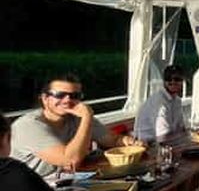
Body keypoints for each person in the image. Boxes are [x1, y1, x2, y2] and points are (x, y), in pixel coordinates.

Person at [10, 73, 141, 177]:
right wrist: (87, 117)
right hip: (28, 189)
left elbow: (112, 140)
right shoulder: (28, 126)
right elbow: (70, 160)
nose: (67, 100)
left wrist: (128, 141)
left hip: (61, 181)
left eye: (74, 95)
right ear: (45, 98)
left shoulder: (75, 117)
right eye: (60, 95)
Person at [133, 65, 186, 143]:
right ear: (164, 81)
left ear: (182, 81)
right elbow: (163, 136)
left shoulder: (177, 100)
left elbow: (181, 127)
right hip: (147, 144)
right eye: (168, 78)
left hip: (166, 140)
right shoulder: (159, 101)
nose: (173, 81)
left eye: (177, 79)